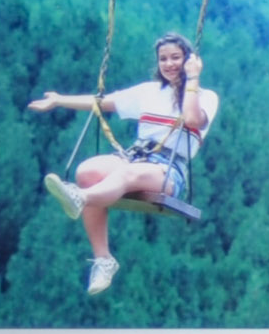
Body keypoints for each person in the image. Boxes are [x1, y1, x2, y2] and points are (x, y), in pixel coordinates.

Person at [30, 32, 217, 296]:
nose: (169, 64)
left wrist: (193, 78)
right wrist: (59, 100)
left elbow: (192, 119)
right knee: (87, 171)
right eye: (163, 59)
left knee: (127, 174)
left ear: (188, 60)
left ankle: (80, 197)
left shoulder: (205, 96)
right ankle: (103, 260)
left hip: (168, 169)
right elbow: (102, 103)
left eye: (176, 57)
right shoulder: (149, 92)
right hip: (136, 156)